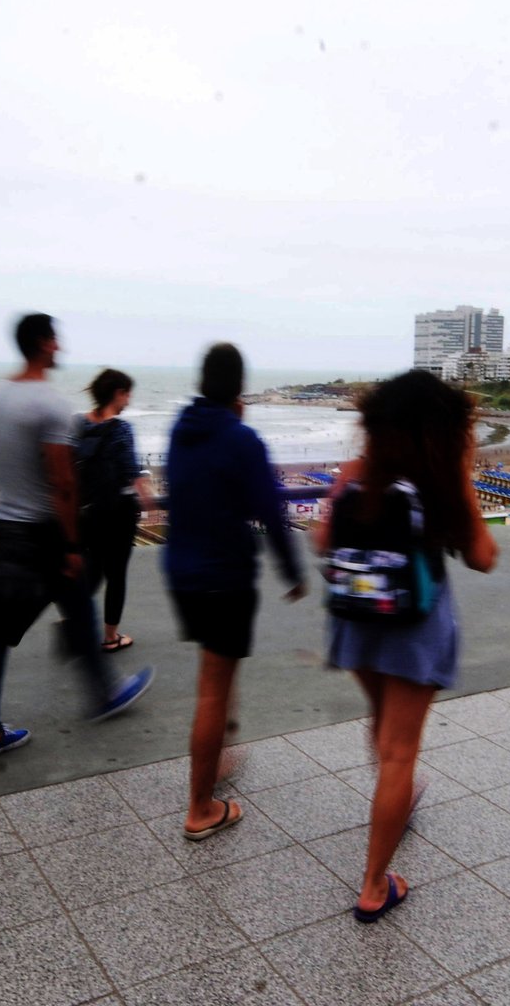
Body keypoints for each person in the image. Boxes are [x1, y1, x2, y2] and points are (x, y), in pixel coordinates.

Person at [317, 370, 498, 921]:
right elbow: (483, 557)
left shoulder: (356, 473)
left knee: (381, 722)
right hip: (415, 627)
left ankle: (396, 800)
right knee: (400, 752)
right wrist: (462, 483)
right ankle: (375, 886)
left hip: (356, 620)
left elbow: (323, 541)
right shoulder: (443, 479)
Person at [0, 313, 153, 763]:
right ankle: (105, 693)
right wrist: (70, 545)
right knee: (76, 602)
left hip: (5, 530)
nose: (61, 347)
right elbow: (64, 483)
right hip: (44, 534)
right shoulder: (48, 406)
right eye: (57, 340)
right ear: (46, 344)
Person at [163, 343, 305, 840]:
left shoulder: (181, 430)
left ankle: (217, 756)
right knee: (213, 689)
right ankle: (200, 808)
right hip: (223, 577)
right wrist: (292, 572)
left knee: (218, 672)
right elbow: (270, 510)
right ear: (239, 387)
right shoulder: (241, 438)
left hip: (181, 572)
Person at [75, 368, 150, 652]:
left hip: (88, 511)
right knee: (116, 574)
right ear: (118, 394)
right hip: (118, 512)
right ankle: (110, 637)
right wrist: (147, 498)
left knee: (92, 568)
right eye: (127, 394)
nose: (129, 400)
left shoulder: (78, 424)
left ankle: (75, 616)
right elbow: (131, 471)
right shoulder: (121, 429)